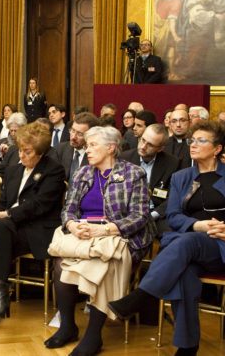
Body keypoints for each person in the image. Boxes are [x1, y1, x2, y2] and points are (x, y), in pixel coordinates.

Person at [108, 120, 225, 356]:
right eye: (193, 140)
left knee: (184, 242)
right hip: (188, 247)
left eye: (202, 141)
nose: (194, 145)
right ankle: (188, 346)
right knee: (185, 272)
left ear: (218, 148)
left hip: (224, 247)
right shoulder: (182, 176)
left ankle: (142, 296)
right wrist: (198, 224)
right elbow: (173, 216)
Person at [44, 126, 152, 354]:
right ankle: (67, 326)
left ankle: (94, 336)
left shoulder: (133, 174)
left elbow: (140, 216)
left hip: (117, 237)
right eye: (87, 145)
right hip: (82, 235)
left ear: (111, 148)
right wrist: (72, 225)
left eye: (93, 145)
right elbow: (69, 209)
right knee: (60, 265)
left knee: (104, 265)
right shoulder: (82, 173)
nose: (87, 149)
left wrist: (104, 230)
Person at [0, 122, 66, 335]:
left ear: (41, 153)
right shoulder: (14, 170)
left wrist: (3, 215)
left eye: (28, 152)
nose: (21, 156)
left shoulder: (54, 170)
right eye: (20, 150)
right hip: (8, 230)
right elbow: (4, 203)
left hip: (37, 230)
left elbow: (39, 205)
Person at [120, 123, 181, 236]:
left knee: (171, 234)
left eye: (150, 145)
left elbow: (174, 196)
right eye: (143, 140)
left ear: (160, 148)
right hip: (128, 213)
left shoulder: (172, 163)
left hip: (156, 214)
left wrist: (154, 215)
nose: (143, 146)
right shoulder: (124, 158)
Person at [51, 112, 100, 183]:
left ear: (91, 135)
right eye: (73, 131)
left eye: (80, 134)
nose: (73, 137)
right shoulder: (61, 148)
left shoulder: (96, 154)